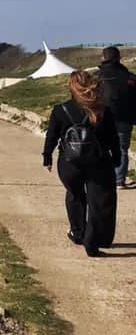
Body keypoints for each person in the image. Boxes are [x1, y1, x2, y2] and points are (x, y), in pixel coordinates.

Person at [43, 70, 121, 257]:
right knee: (100, 202)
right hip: (99, 161)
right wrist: (117, 157)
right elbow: (113, 138)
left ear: (71, 88)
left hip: (70, 163)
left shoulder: (60, 110)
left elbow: (51, 136)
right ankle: (93, 241)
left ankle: (78, 233)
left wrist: (47, 156)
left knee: (75, 196)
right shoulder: (103, 110)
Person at [97, 46, 136, 188]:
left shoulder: (97, 76)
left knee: (101, 147)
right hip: (124, 118)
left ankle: (101, 179)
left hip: (101, 118)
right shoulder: (129, 76)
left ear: (103, 58)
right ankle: (119, 180)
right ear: (119, 58)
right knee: (122, 149)